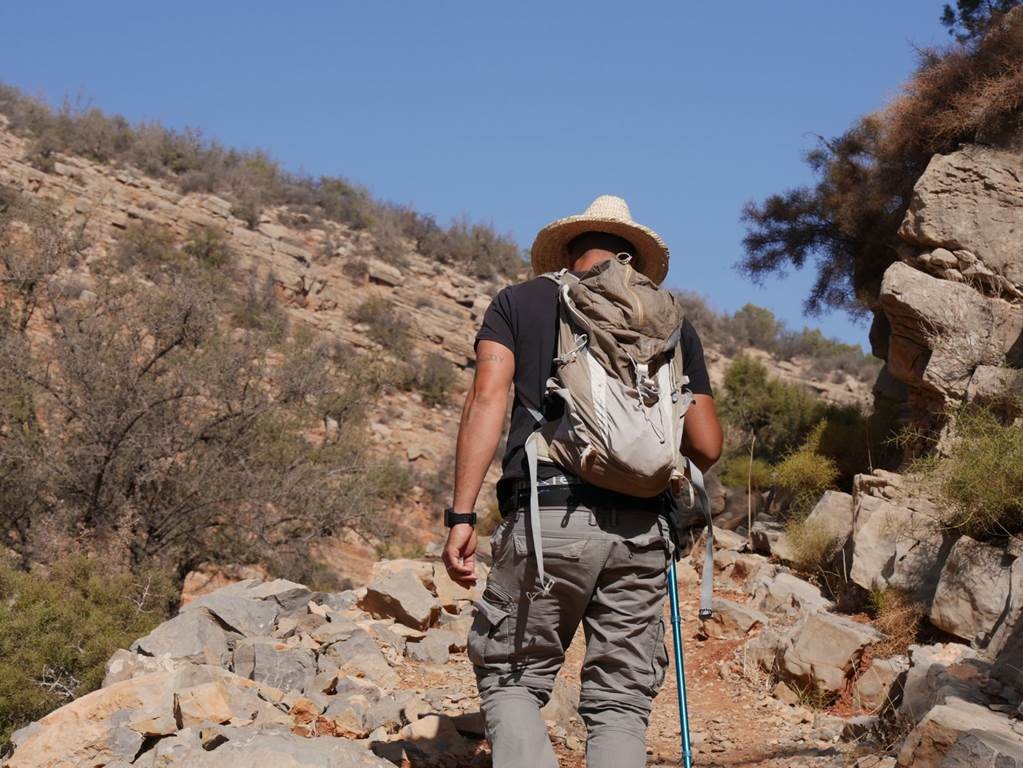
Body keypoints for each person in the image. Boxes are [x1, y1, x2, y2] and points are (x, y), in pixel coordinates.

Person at [441, 195, 723, 768]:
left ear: (568, 250)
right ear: (634, 256)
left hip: (550, 520)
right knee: (620, 702)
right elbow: (707, 446)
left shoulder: (519, 303)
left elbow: (488, 399)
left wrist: (462, 515)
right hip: (643, 531)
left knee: (512, 675)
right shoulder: (670, 323)